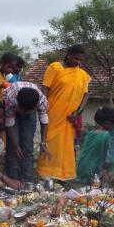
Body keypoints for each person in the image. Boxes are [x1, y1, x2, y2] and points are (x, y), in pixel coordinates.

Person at [37, 45, 91, 182]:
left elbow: (86, 95)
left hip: (70, 118)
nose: (78, 62)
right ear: (68, 55)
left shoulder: (83, 75)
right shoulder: (55, 67)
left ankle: (63, 178)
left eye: (81, 60)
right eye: (76, 58)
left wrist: (78, 112)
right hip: (53, 114)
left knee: (66, 147)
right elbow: (45, 88)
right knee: (51, 143)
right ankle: (46, 176)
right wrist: (45, 109)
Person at [3, 82, 51, 183]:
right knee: (12, 148)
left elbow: (44, 121)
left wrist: (43, 143)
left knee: (27, 146)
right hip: (13, 109)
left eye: (26, 111)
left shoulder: (42, 101)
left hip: (28, 109)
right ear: (18, 105)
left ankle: (26, 180)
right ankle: (12, 179)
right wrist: (16, 145)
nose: (23, 113)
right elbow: (9, 123)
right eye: (22, 110)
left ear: (34, 108)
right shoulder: (10, 99)